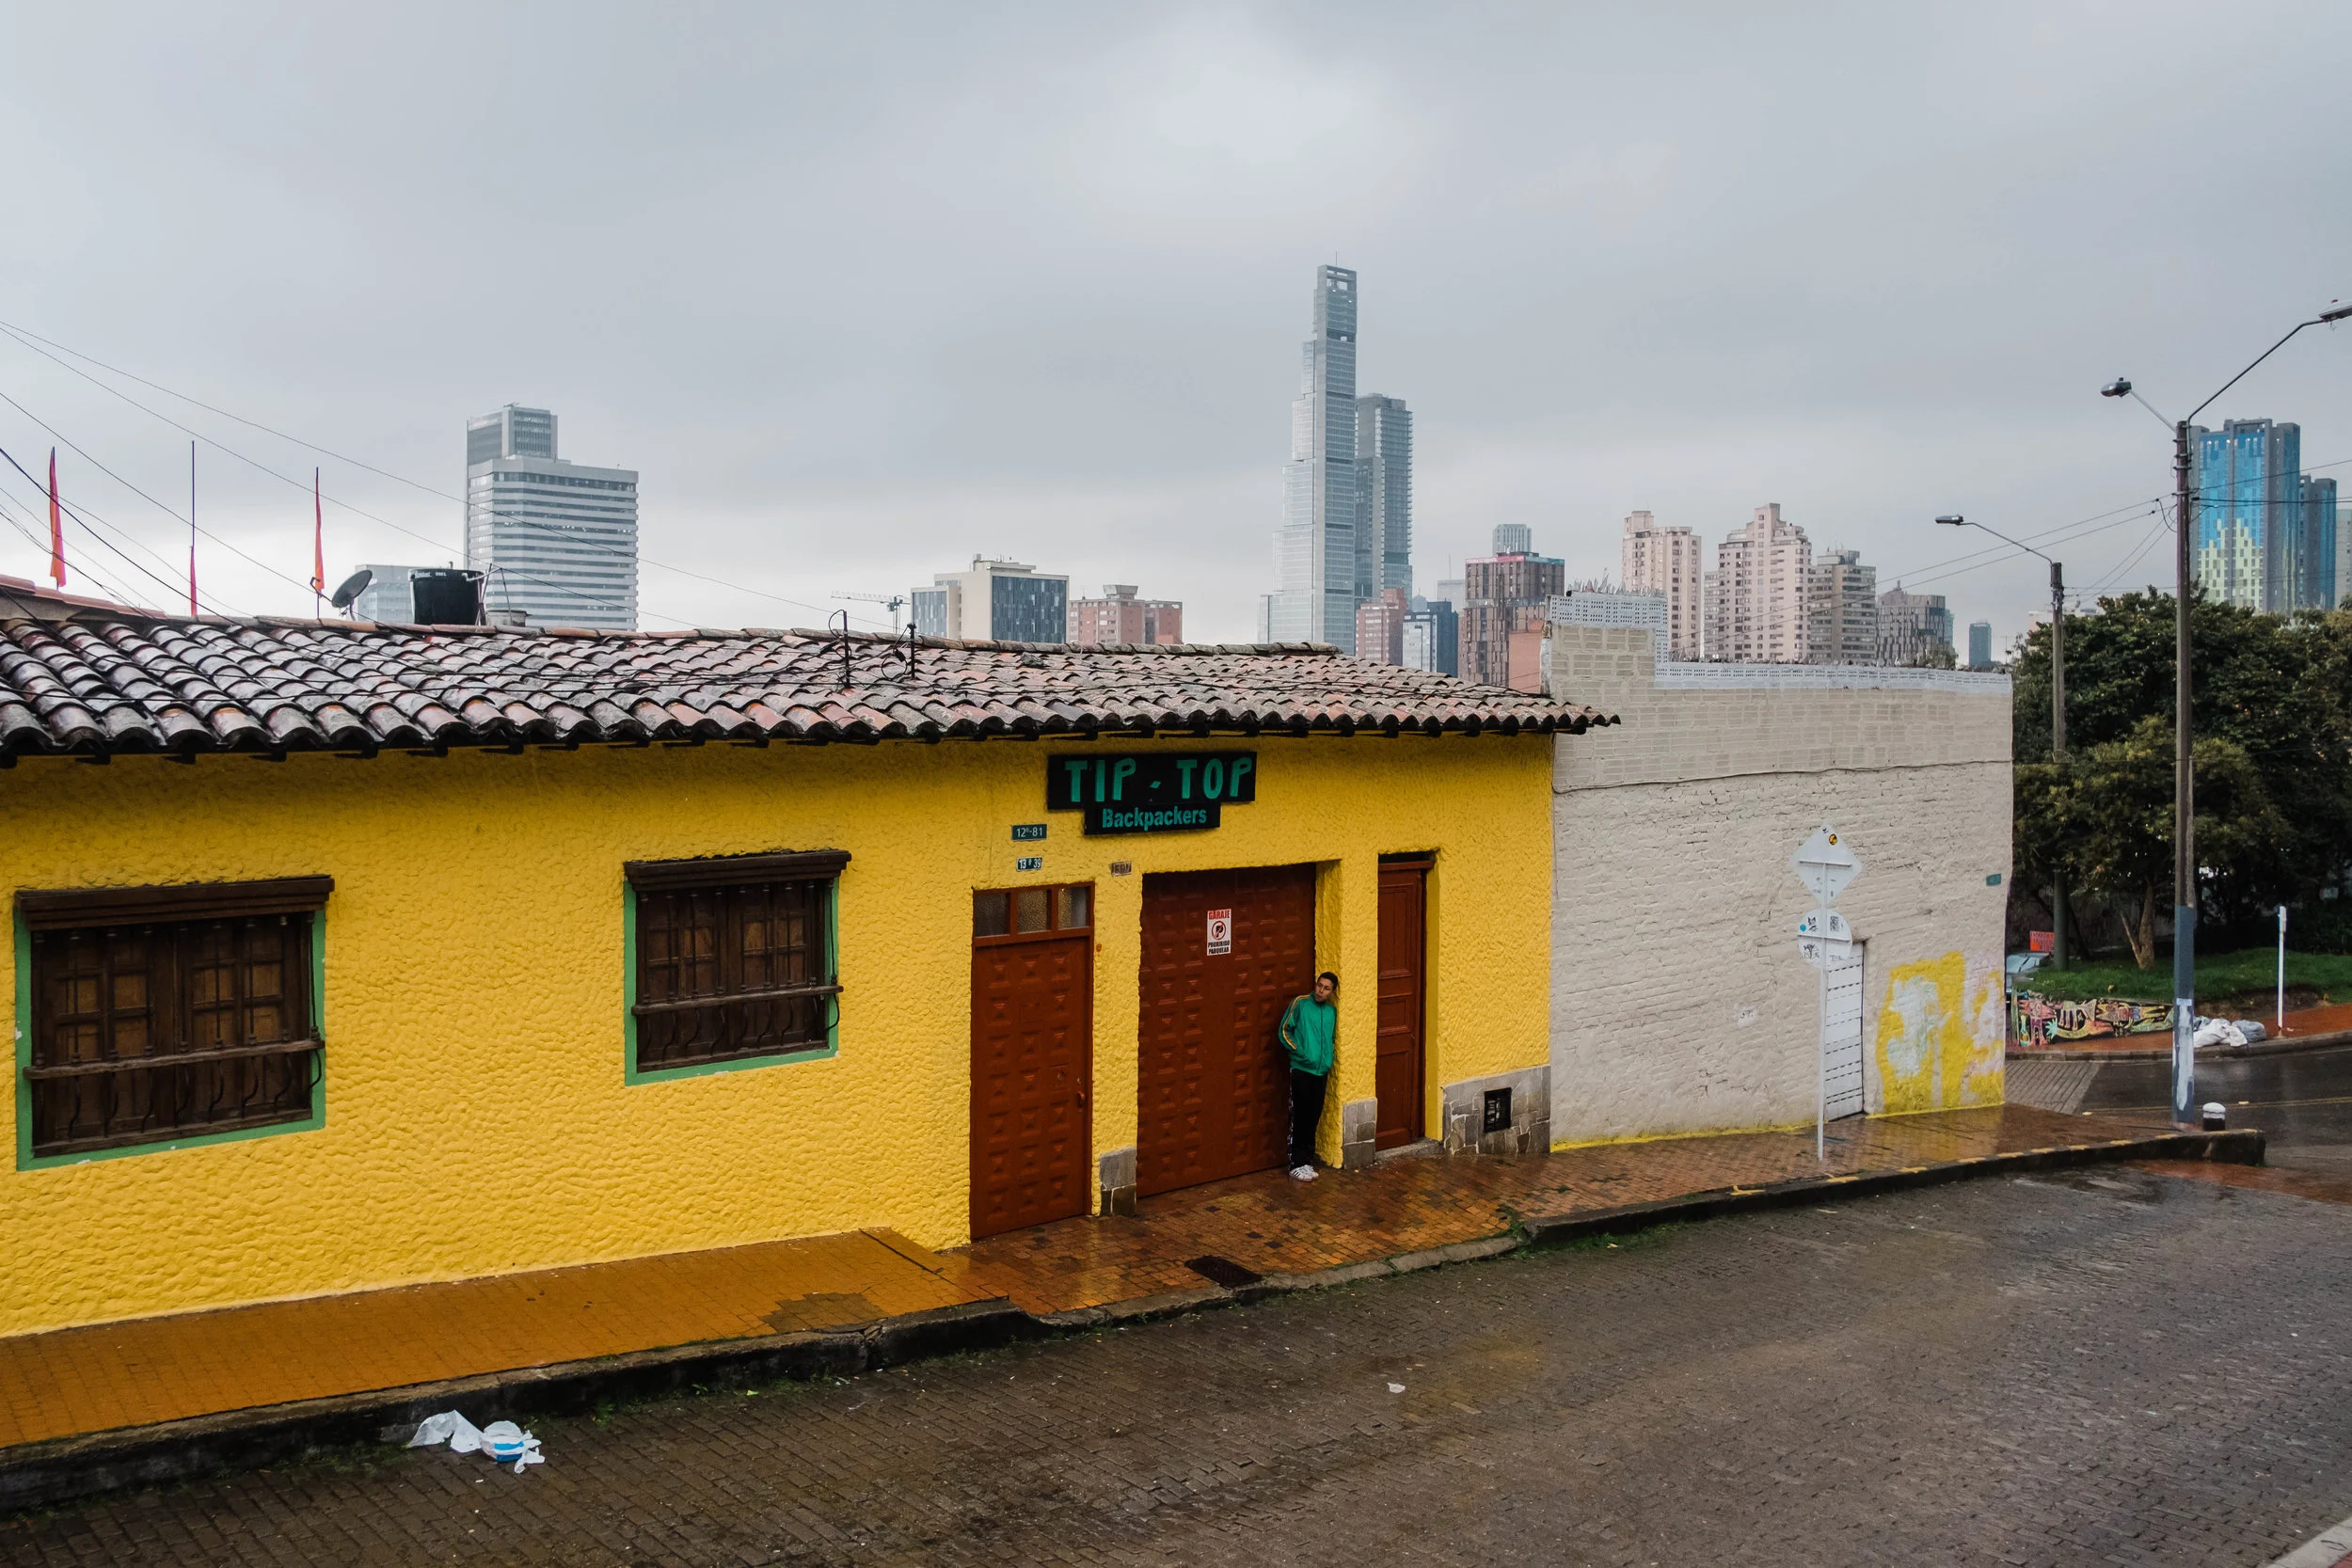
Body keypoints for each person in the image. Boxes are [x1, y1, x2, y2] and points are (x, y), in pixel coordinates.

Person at [1279, 971, 1338, 1180]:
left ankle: (1306, 1161)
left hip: (1320, 1071)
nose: (1321, 991)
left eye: (1326, 988)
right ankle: (1295, 1162)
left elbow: (1330, 1038)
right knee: (1300, 1116)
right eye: (1319, 986)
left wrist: (1326, 1060)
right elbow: (1285, 1030)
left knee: (1314, 1116)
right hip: (1302, 1069)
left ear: (1332, 992)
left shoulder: (1331, 1011)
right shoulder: (1301, 1004)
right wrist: (1301, 1052)